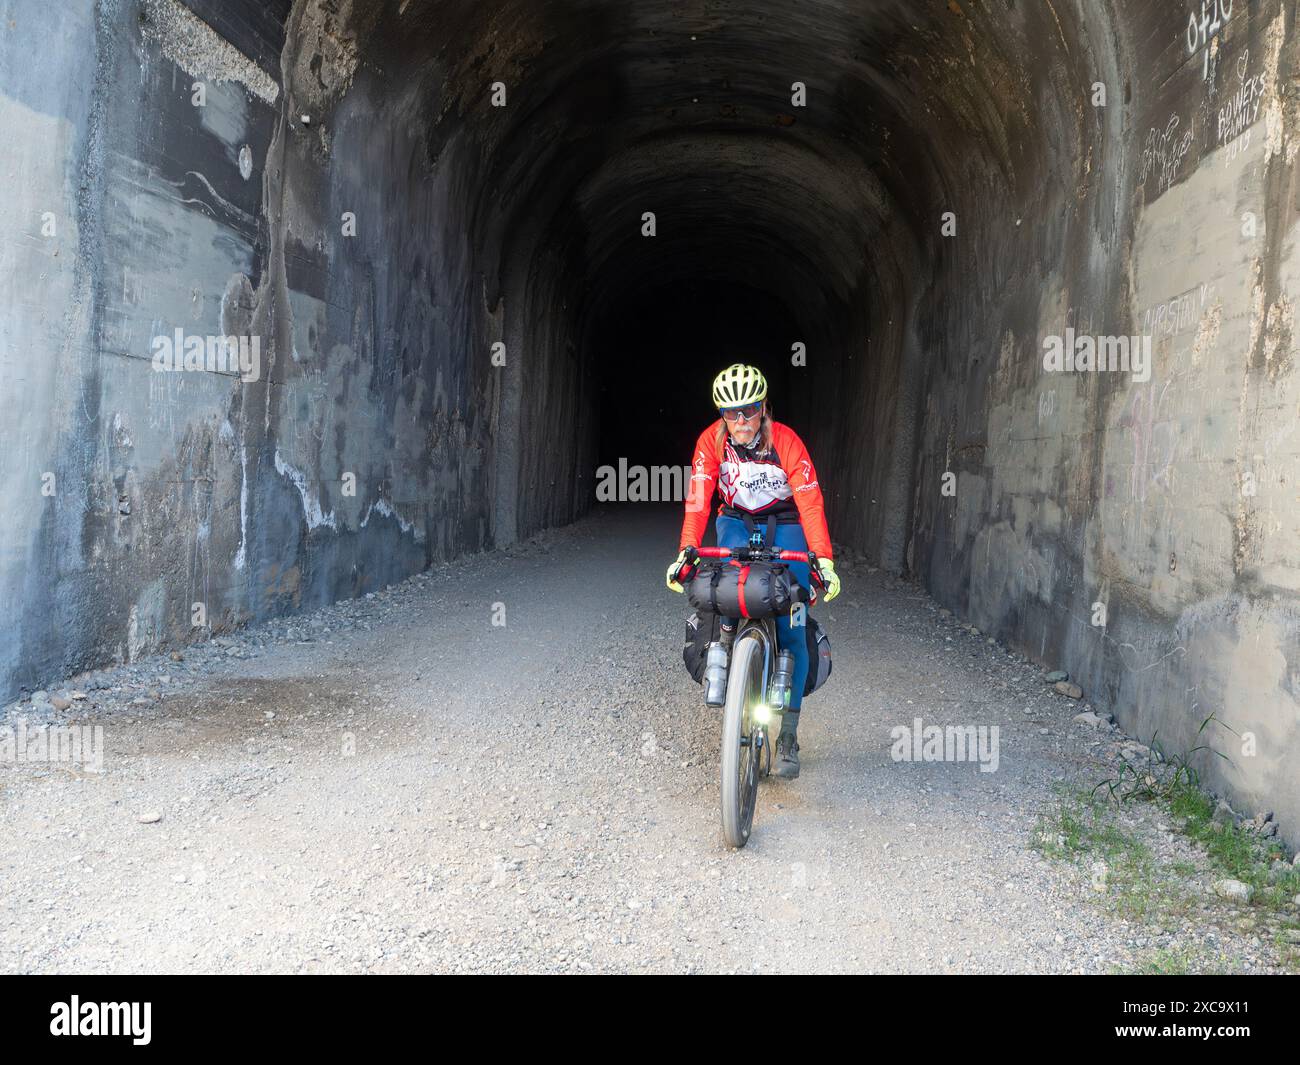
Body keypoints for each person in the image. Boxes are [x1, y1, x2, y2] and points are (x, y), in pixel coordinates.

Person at [665, 363, 841, 779]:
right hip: (734, 521)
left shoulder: (787, 442)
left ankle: (789, 736)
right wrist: (686, 551)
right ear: (721, 414)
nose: (741, 421)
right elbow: (698, 500)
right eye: (731, 413)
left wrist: (823, 560)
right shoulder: (711, 442)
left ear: (764, 407)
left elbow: (811, 504)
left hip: (790, 525)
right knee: (726, 593)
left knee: (794, 622)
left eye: (750, 410)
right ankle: (726, 656)